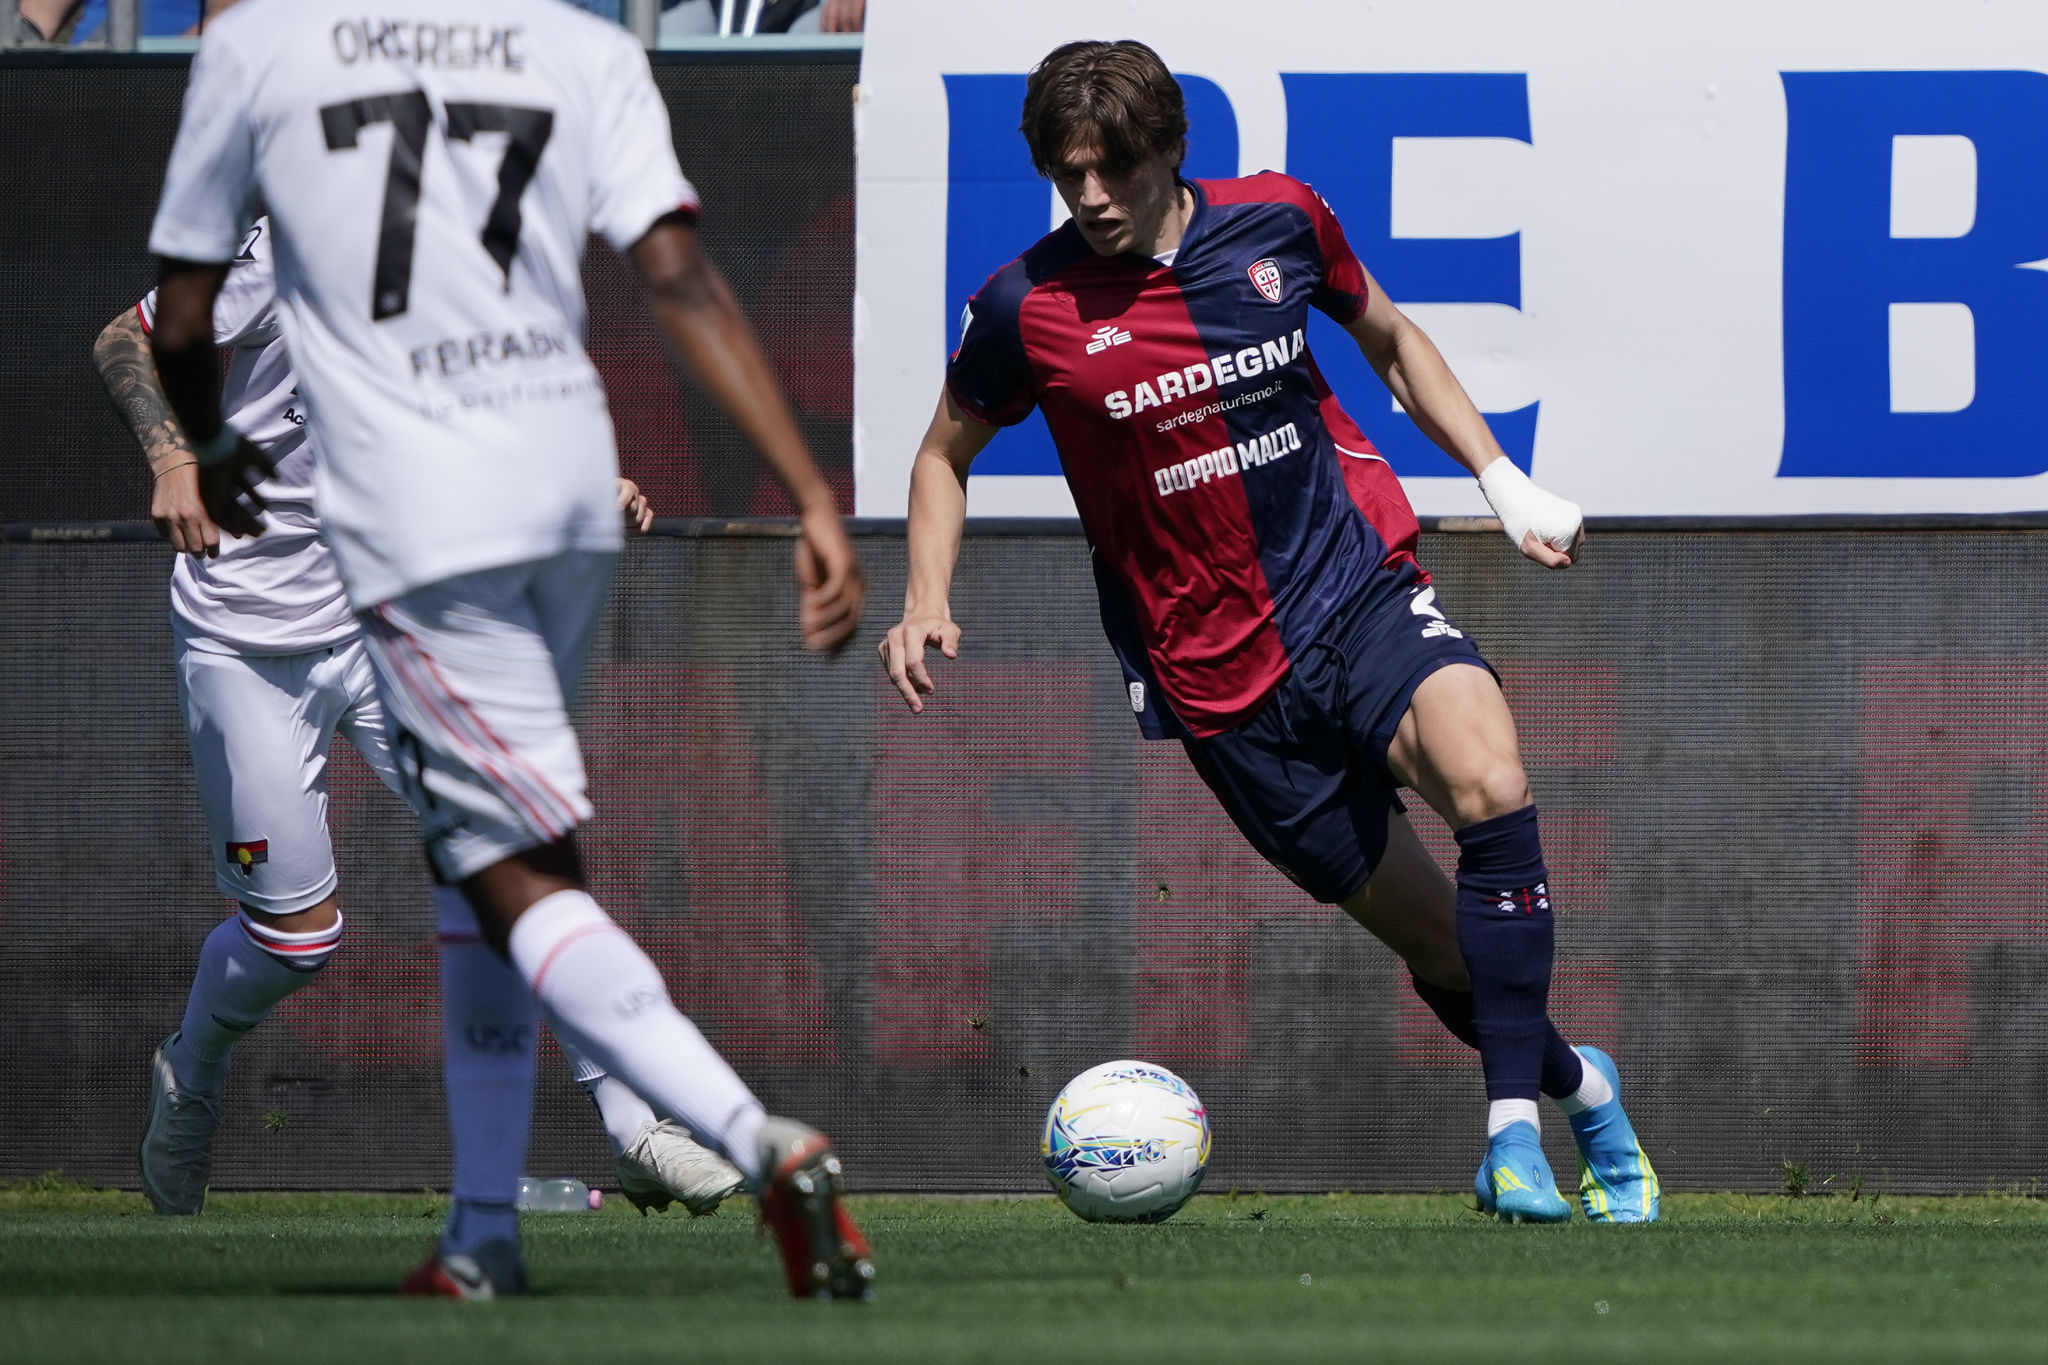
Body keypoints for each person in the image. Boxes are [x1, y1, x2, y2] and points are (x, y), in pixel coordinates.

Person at [145, 0, 871, 1298]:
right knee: (474, 873)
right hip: (555, 500)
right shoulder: (588, 47)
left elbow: (181, 319)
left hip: (425, 529)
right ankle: (484, 1235)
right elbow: (678, 278)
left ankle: (746, 1133)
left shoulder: (270, 50)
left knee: (519, 878)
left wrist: (204, 445)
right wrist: (809, 491)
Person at [880, 38, 1658, 1224]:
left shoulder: (1280, 220)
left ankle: (1510, 1139)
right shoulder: (1022, 308)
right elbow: (942, 456)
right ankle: (1578, 1088)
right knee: (1447, 950)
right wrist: (924, 598)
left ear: (1169, 149)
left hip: (1353, 589)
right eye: (1066, 174)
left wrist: (1500, 481)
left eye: (1112, 168)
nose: (1090, 196)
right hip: (1217, 684)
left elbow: (1388, 335)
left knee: (1491, 784)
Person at [93, 218, 745, 1223]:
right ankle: (192, 1068)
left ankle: (634, 1129)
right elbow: (123, 338)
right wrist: (173, 458)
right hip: (244, 636)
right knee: (295, 941)